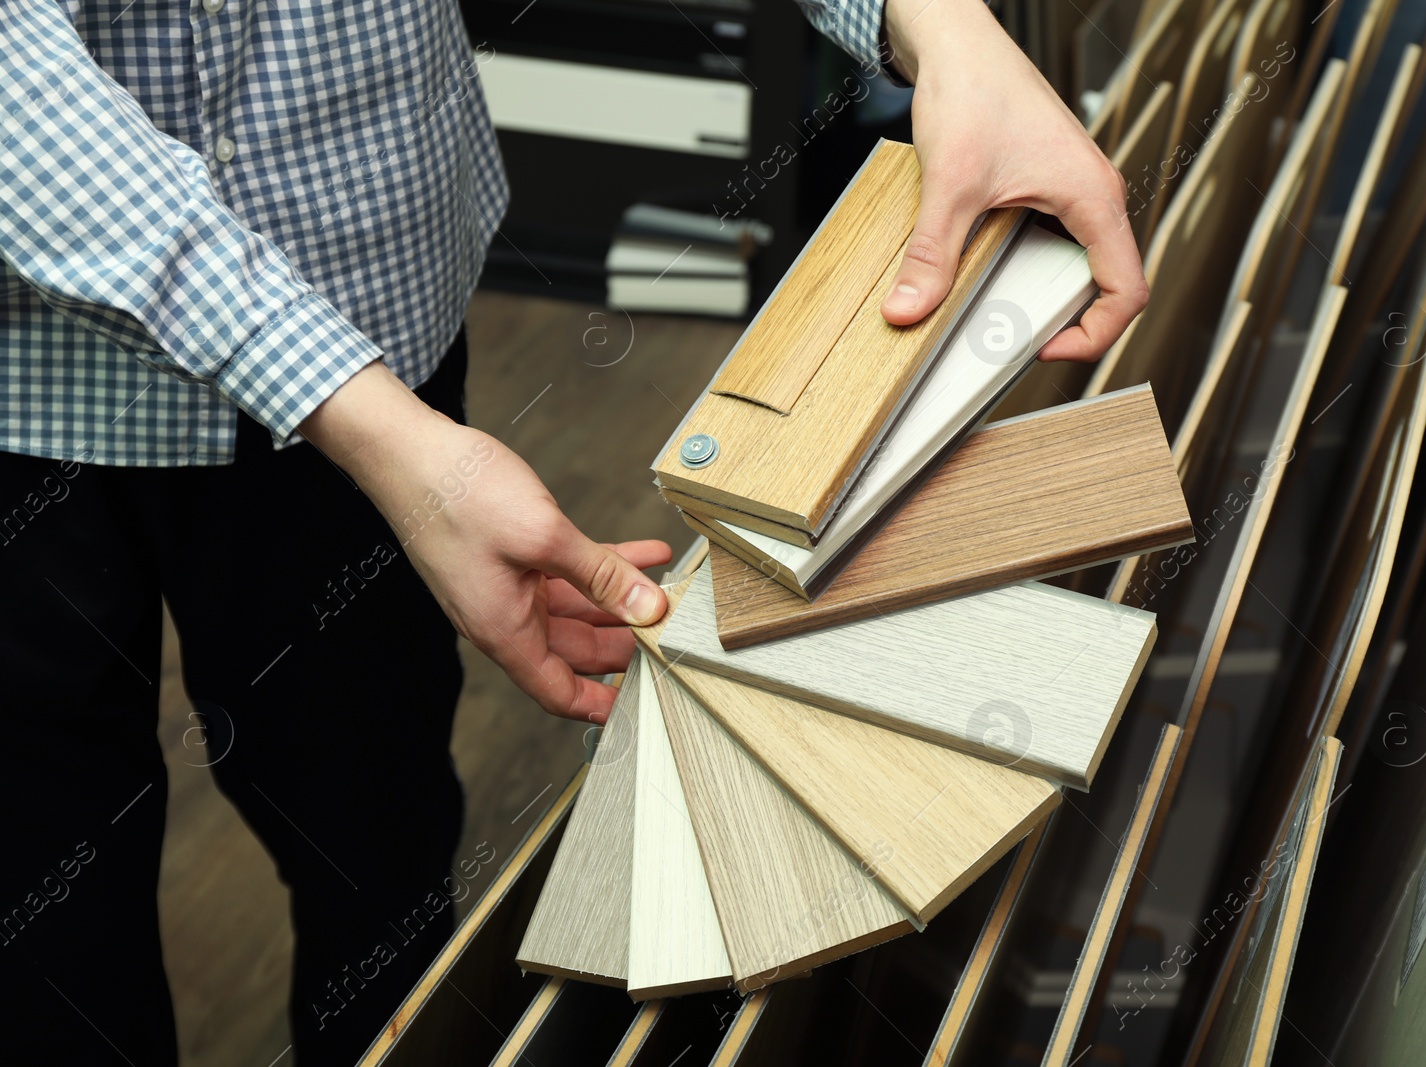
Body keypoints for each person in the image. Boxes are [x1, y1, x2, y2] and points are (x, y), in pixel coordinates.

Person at [0, 0, 1146, 1062]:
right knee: (44, 891)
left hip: (365, 266)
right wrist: (383, 434)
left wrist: (936, 25)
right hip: (29, 370)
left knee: (374, 820)